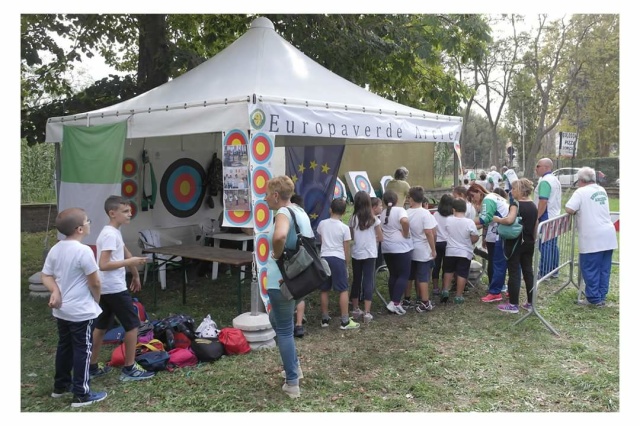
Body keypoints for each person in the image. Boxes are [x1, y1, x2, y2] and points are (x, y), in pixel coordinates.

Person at [41, 208, 107, 408]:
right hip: (81, 311)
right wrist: (96, 300)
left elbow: (46, 275)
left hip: (63, 310)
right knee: (83, 350)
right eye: (88, 221)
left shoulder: (56, 248)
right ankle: (81, 394)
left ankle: (60, 387)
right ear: (80, 229)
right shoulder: (84, 251)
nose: (89, 224)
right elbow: (95, 282)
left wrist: (56, 291)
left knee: (65, 346)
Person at [89, 196, 154, 382]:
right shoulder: (109, 234)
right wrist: (130, 263)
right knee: (133, 326)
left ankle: (92, 366)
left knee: (101, 326)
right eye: (125, 211)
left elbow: (126, 252)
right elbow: (103, 264)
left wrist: (135, 273)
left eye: (130, 210)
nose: (130, 214)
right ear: (112, 213)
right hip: (114, 289)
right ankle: (129, 368)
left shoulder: (114, 231)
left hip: (106, 288)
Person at [265, 176, 307, 398]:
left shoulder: (282, 213)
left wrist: (277, 254)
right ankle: (295, 367)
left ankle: (292, 382)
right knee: (278, 322)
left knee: (283, 330)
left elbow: (280, 235)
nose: (264, 199)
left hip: (281, 281)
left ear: (275, 195)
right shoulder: (299, 211)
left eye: (266, 194)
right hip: (299, 280)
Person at [565, 167, 618, 307]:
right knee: (604, 269)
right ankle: (601, 296)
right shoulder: (601, 190)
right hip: (608, 234)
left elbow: (569, 209)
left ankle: (593, 299)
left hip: (592, 236)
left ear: (581, 180)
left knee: (590, 268)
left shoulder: (581, 192)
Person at [492, 179, 538, 313]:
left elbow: (509, 220)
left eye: (513, 189)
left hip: (516, 243)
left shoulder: (515, 205)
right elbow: (536, 223)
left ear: (520, 190)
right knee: (528, 271)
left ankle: (513, 304)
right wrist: (533, 238)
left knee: (514, 272)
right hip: (529, 242)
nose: (511, 191)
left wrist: (498, 219)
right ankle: (530, 302)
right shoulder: (533, 205)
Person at [317, 198, 359, 330]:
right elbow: (346, 248)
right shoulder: (344, 228)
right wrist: (346, 264)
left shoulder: (322, 224)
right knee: (343, 289)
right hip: (338, 258)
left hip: (324, 257)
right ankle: (345, 321)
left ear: (330, 209)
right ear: (344, 212)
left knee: (324, 289)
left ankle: (324, 319)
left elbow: (321, 239)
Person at [466, 183, 510, 303]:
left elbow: (484, 219)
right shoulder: (493, 197)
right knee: (502, 262)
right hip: (503, 232)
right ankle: (502, 288)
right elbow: (487, 221)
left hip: (501, 233)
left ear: (479, 191)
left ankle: (495, 291)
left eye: (472, 196)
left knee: (497, 262)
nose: (473, 200)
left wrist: (466, 221)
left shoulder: (488, 199)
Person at [348, 191, 382, 324]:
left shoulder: (353, 218)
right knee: (369, 280)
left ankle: (355, 309)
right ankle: (367, 312)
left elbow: (351, 236)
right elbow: (381, 237)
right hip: (370, 253)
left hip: (357, 252)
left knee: (356, 279)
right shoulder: (374, 219)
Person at [403, 186, 437, 312]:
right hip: (423, 249)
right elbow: (429, 232)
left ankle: (407, 299)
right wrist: (433, 249)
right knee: (423, 276)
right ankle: (424, 301)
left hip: (410, 248)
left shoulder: (406, 213)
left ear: (410, 199)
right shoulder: (425, 213)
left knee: (409, 276)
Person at [440, 199, 480, 304]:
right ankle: (458, 296)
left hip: (450, 251)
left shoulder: (448, 220)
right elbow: (475, 237)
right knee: (462, 273)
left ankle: (445, 290)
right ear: (465, 210)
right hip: (464, 252)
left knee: (448, 271)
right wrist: (469, 241)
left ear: (453, 209)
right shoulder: (469, 222)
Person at [380, 189, 413, 314]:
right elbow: (405, 221)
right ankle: (395, 302)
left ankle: (393, 300)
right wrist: (405, 233)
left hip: (387, 247)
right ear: (397, 200)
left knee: (393, 274)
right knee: (404, 274)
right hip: (401, 247)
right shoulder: (400, 210)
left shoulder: (383, 213)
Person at [534, 157, 562, 279]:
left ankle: (545, 271)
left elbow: (543, 201)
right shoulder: (555, 180)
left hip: (546, 217)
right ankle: (554, 270)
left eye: (538, 166)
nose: (536, 168)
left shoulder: (545, 181)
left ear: (546, 167)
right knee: (552, 245)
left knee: (545, 245)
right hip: (554, 215)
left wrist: (536, 217)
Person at [289, 193, 307, 338]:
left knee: (290, 292)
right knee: (300, 292)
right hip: (302, 258)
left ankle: (291, 322)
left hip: (291, 257)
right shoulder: (303, 215)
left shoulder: (287, 214)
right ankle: (299, 324)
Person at [432, 194, 454, 296]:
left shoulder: (435, 214)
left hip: (437, 242)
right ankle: (445, 287)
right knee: (447, 267)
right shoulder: (453, 216)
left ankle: (435, 288)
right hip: (448, 243)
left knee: (436, 266)